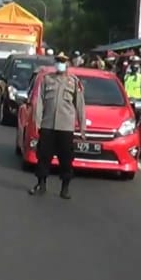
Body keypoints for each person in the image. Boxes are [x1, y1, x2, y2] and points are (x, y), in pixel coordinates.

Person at [28, 52, 85, 199]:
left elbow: (80, 105)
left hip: (65, 127)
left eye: (63, 62)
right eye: (58, 61)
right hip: (47, 124)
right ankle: (41, 184)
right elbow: (39, 102)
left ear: (67, 64)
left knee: (66, 159)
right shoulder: (47, 80)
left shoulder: (73, 82)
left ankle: (65, 188)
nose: (60, 64)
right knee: (43, 156)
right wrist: (37, 122)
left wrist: (82, 127)